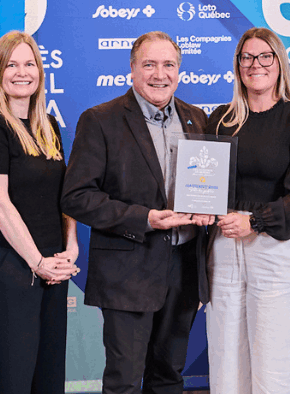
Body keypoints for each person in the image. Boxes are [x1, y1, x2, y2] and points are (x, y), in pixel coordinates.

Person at [61, 31, 208, 394]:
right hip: (128, 272)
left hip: (184, 268)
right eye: (150, 65)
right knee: (124, 380)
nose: (160, 74)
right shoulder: (100, 120)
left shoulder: (197, 119)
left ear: (180, 70)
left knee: (170, 376)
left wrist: (211, 211)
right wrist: (144, 218)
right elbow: (76, 196)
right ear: (132, 69)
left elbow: (209, 187)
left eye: (169, 65)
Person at [196, 27, 290, 394]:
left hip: (276, 248)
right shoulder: (220, 119)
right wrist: (201, 208)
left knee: (275, 366)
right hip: (223, 248)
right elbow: (205, 181)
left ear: (279, 64)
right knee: (226, 361)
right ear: (237, 66)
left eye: (265, 56)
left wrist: (255, 221)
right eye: (247, 57)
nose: (256, 65)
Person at [0, 30, 79, 394]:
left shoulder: (49, 127)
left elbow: (65, 196)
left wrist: (70, 248)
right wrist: (36, 261)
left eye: (29, 63)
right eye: (12, 64)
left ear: (40, 71)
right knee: (12, 377)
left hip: (51, 266)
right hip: (10, 266)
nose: (22, 72)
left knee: (49, 378)